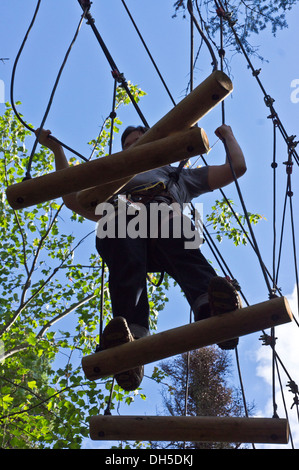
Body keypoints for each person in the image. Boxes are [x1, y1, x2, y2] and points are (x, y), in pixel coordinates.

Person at [36, 123, 246, 391]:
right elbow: (71, 196)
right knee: (118, 230)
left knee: (174, 229)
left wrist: (227, 135)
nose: (136, 146)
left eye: (143, 140)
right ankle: (131, 335)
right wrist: (56, 150)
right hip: (125, 233)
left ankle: (211, 304)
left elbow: (235, 168)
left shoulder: (177, 175)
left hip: (167, 230)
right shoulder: (111, 183)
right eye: (129, 145)